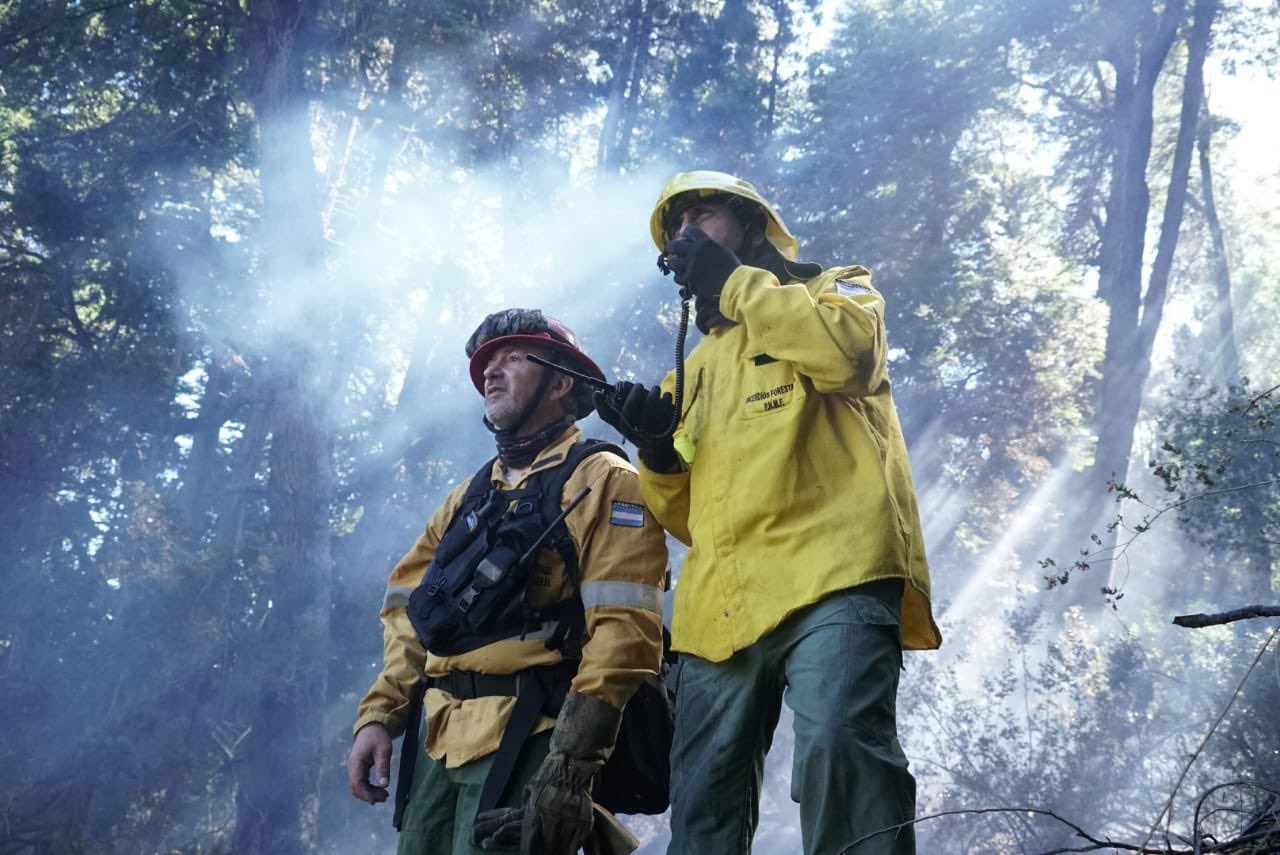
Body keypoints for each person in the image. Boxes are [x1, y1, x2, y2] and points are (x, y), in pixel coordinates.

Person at [593, 170, 942, 855]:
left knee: (842, 746)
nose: (687, 235)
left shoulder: (837, 290)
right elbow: (687, 518)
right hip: (720, 607)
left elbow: (849, 357)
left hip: (834, 575)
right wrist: (658, 452)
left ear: (752, 224)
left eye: (702, 215)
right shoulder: (691, 371)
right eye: (677, 230)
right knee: (701, 805)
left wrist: (736, 284)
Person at [347, 308, 669, 855]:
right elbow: (406, 610)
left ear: (562, 381)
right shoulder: (466, 498)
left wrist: (567, 772)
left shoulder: (604, 481)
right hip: (436, 746)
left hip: (532, 739)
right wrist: (379, 716)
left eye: (512, 357)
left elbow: (624, 636)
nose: (490, 373)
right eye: (485, 365)